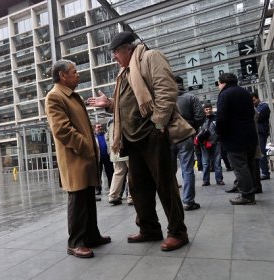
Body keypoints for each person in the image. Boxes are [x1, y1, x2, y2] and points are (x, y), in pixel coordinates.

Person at [87, 31, 193, 252]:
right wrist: (109, 104)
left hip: (153, 135)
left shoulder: (150, 57)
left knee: (165, 185)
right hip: (132, 139)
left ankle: (177, 232)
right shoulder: (124, 72)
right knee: (138, 188)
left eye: (116, 52)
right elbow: (128, 102)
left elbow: (166, 90)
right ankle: (149, 228)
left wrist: (158, 124)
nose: (114, 57)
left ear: (128, 48)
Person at [45, 59, 111, 258]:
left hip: (85, 156)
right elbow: (62, 130)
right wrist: (85, 145)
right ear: (62, 76)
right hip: (75, 156)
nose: (78, 74)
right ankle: (75, 243)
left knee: (88, 197)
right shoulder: (55, 96)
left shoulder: (73, 96)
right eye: (74, 71)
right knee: (77, 199)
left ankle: (91, 236)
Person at [216, 73, 258, 205]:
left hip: (234, 137)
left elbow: (221, 118)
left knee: (240, 166)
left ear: (223, 82)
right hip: (250, 136)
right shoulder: (245, 92)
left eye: (218, 83)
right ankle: (250, 190)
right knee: (248, 165)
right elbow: (252, 113)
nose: (218, 86)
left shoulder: (225, 94)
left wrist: (220, 134)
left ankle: (247, 195)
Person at [171, 76, 205, 211]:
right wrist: (192, 129)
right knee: (187, 169)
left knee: (169, 171)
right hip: (186, 136)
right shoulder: (191, 97)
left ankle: (172, 202)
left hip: (168, 137)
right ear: (182, 84)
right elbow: (200, 117)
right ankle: (188, 201)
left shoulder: (163, 98)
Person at [106, 117, 133, 206]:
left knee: (118, 173)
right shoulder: (125, 117)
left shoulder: (110, 122)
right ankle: (131, 197)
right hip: (126, 150)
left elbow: (107, 138)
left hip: (115, 152)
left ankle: (113, 196)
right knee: (131, 173)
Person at [198, 102, 225, 186]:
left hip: (216, 143)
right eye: (206, 109)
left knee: (217, 163)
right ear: (204, 110)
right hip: (204, 144)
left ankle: (219, 180)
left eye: (210, 109)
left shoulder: (216, 118)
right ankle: (206, 181)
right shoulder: (200, 120)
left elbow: (220, 129)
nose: (208, 111)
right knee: (205, 163)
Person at [252, 92, 271, 180]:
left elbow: (257, 116)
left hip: (261, 132)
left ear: (257, 98)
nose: (253, 102)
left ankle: (265, 172)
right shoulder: (255, 108)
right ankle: (263, 171)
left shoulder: (264, 106)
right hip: (256, 132)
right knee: (258, 153)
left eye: (254, 100)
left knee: (261, 152)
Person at [94, 123, 114, 195]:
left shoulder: (105, 135)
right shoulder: (93, 137)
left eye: (101, 126)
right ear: (95, 128)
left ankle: (111, 188)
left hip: (107, 157)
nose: (100, 128)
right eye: (98, 127)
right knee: (98, 174)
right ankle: (98, 189)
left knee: (110, 173)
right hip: (99, 158)